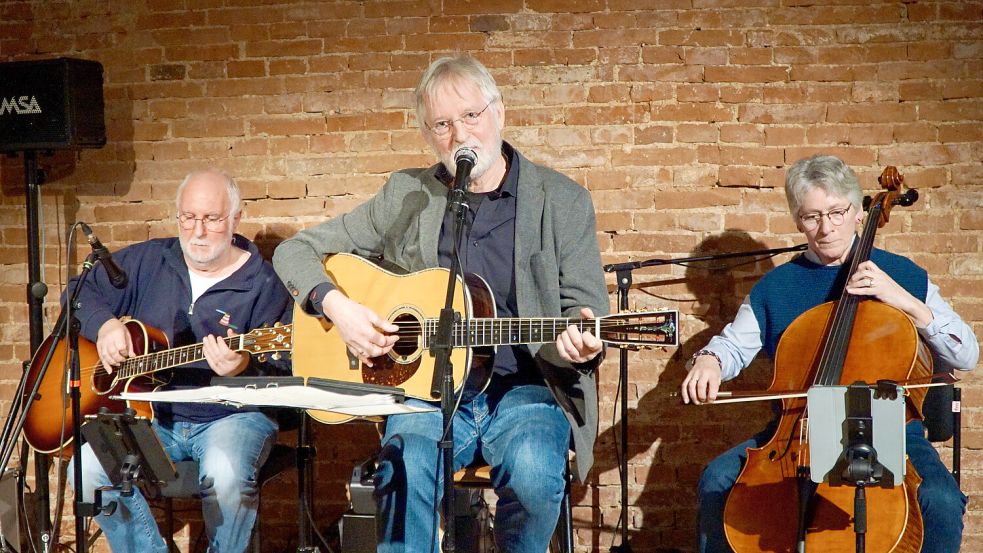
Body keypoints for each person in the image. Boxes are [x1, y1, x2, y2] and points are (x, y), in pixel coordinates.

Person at [273, 54, 609, 552]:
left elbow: (584, 310)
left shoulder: (563, 201)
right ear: (429, 135)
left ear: (499, 113)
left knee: (537, 475)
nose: (460, 135)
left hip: (527, 387)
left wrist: (579, 345)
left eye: (471, 116)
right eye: (443, 124)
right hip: (425, 391)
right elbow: (293, 250)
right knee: (402, 473)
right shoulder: (409, 194)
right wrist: (337, 307)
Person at [680, 154, 979, 552]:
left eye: (837, 212)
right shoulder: (777, 287)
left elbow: (966, 355)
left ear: (859, 212)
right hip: (794, 433)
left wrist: (904, 301)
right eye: (811, 217)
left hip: (890, 433)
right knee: (716, 480)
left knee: (939, 501)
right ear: (797, 220)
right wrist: (710, 360)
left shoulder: (904, 275)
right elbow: (734, 343)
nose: (826, 228)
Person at [67, 169, 292, 552]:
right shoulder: (152, 259)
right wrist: (104, 326)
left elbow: (286, 373)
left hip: (232, 416)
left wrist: (243, 368)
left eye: (211, 219)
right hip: (152, 416)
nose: (198, 231)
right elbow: (78, 292)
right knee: (85, 468)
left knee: (226, 475)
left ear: (236, 219)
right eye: (188, 217)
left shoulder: (265, 284)